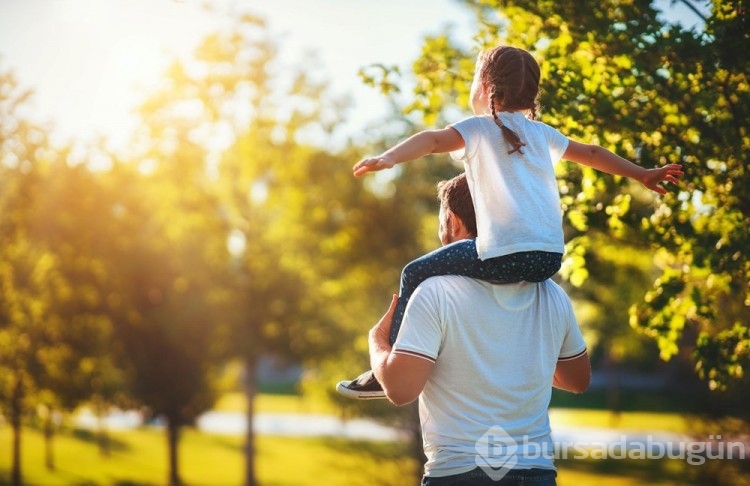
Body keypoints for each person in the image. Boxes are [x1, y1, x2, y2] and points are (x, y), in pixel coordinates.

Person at [337, 45, 682, 399]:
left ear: (485, 87)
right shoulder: (543, 133)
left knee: (413, 272)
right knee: (470, 262)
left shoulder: (479, 129)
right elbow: (593, 153)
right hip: (548, 259)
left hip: (503, 254)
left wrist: (388, 158)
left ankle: (390, 363)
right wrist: (642, 174)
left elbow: (433, 140)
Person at [368, 172, 590, 485]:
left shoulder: (435, 291)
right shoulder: (552, 293)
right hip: (537, 473)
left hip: (461, 473)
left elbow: (400, 389)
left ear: (452, 220)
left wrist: (377, 343)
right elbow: (577, 380)